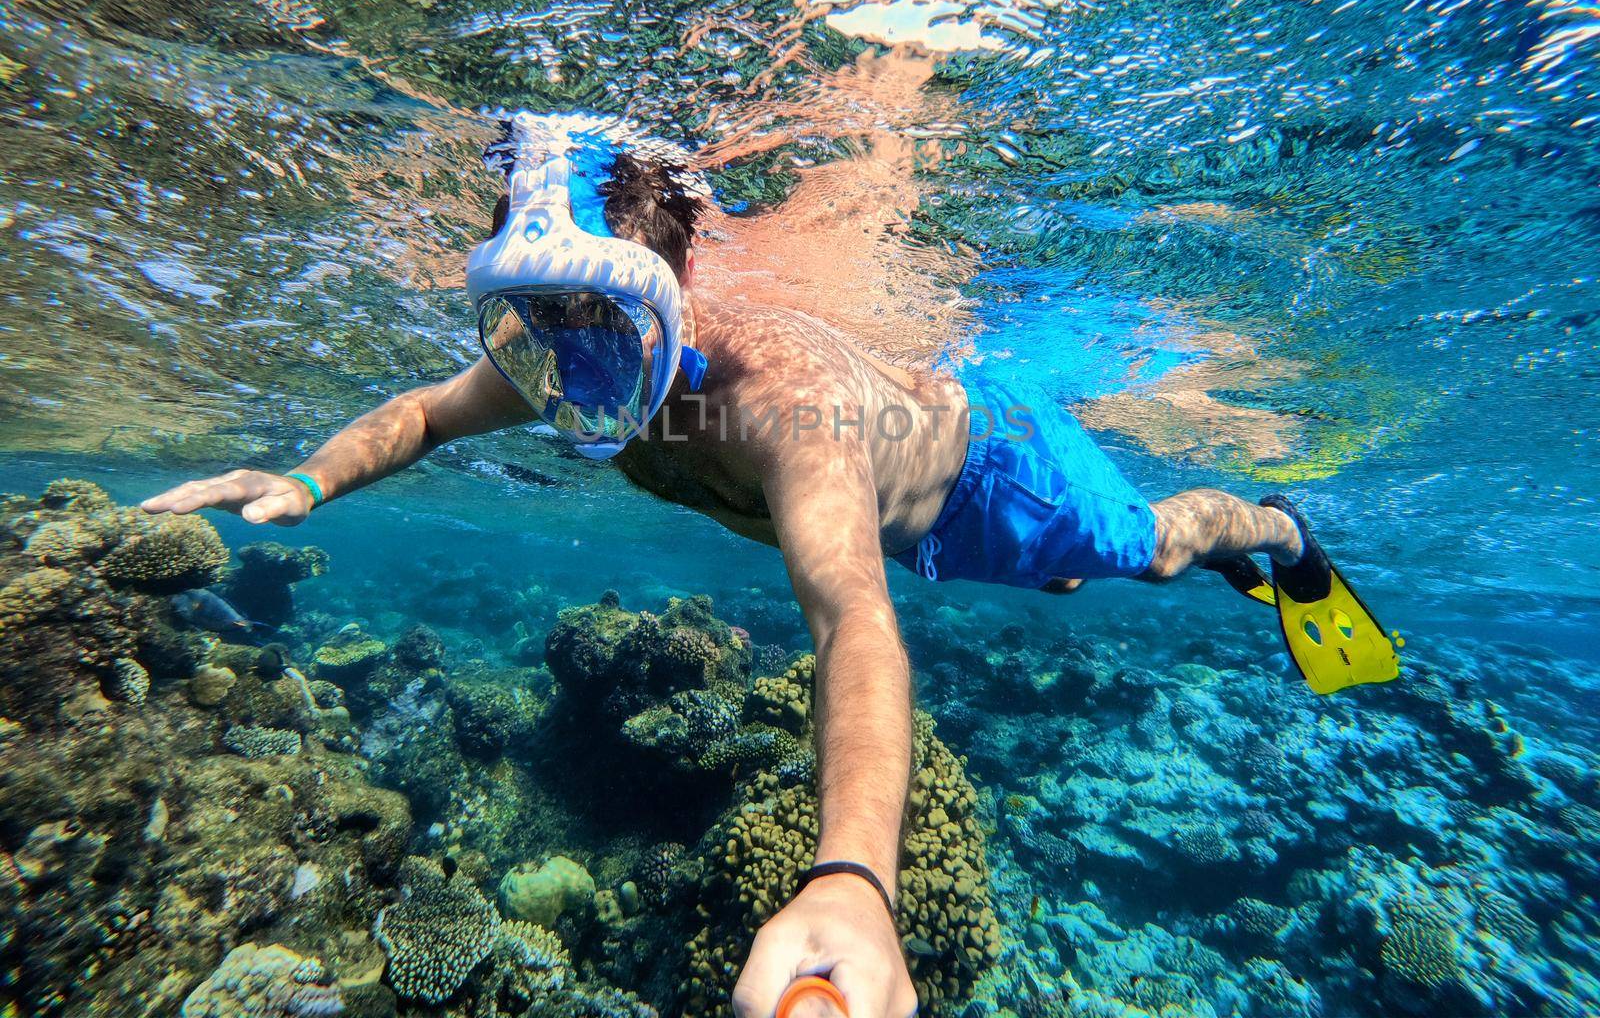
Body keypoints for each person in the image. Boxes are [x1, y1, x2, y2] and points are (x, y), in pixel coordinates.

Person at [143, 113, 1398, 1018]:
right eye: (538, 320)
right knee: (1066, 587)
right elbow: (419, 413)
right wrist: (302, 480)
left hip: (995, 480)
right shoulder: (553, 347)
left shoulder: (777, 402)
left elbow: (852, 618)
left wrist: (852, 879)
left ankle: (1276, 529)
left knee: (1149, 555)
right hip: (913, 514)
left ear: (675, 288)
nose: (572, 365)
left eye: (601, 320)